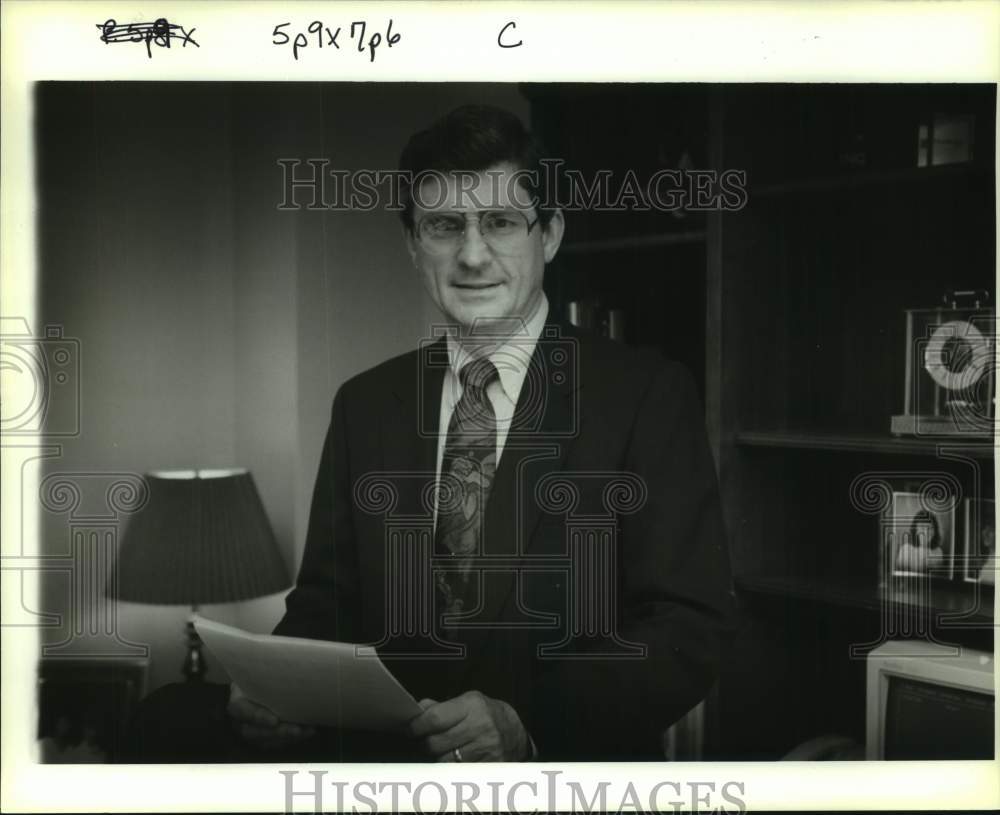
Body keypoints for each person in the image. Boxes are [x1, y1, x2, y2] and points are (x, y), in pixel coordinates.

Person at [227, 104, 735, 762]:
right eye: (444, 226)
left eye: (499, 222)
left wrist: (528, 723)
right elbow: (327, 602)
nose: (471, 254)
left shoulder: (645, 395)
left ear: (548, 233)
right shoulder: (365, 403)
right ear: (413, 243)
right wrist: (279, 685)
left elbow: (690, 626)